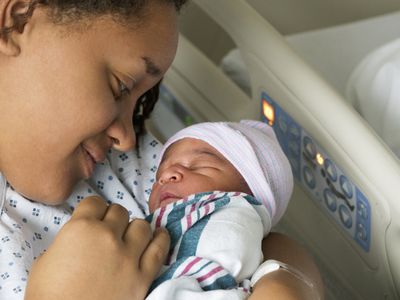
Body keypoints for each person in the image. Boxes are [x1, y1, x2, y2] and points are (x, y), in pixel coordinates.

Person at [0, 0, 323, 299]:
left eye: (138, 100)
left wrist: (285, 280)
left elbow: (255, 223)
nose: (124, 137)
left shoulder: (121, 166)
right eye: (121, 87)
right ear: (16, 19)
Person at [144, 120, 315, 299]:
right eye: (158, 176)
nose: (165, 176)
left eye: (200, 166)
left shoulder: (233, 220)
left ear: (251, 196)